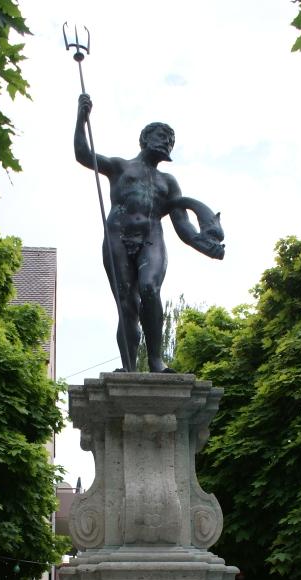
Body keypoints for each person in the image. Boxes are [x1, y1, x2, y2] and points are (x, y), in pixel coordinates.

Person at [75, 93, 225, 372]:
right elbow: (84, 155)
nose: (166, 142)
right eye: (161, 136)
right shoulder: (120, 167)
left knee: (149, 289)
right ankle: (130, 368)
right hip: (117, 238)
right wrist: (81, 119)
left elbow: (183, 227)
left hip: (151, 238)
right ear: (144, 139)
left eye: (170, 139)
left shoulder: (168, 182)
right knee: (126, 303)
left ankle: (155, 360)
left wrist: (205, 246)